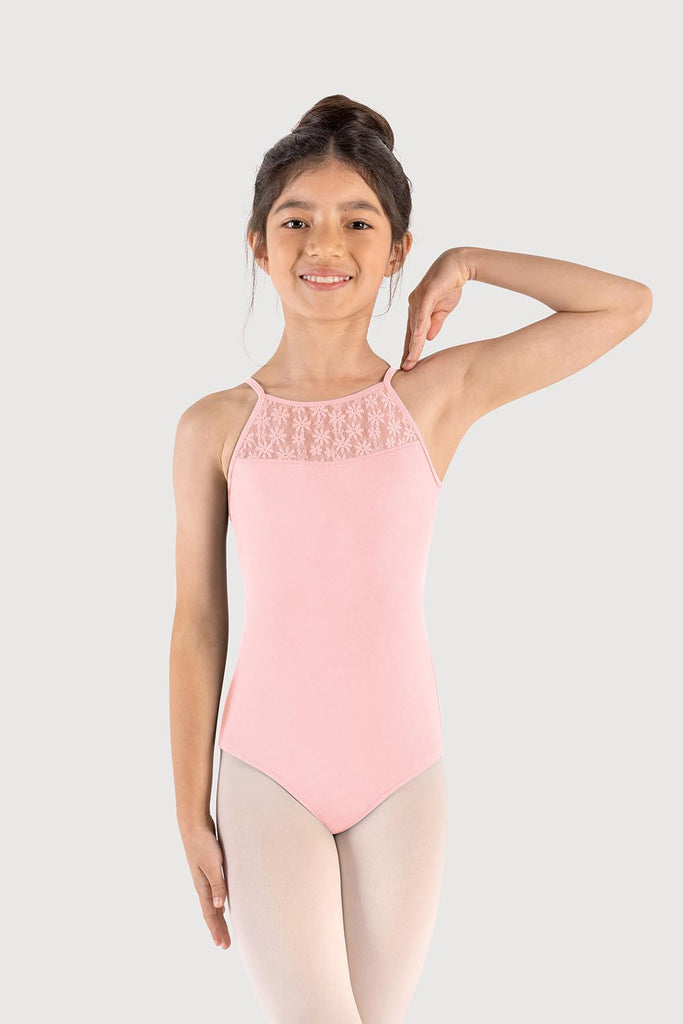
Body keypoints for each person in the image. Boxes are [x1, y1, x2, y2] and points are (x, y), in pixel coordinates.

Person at [169, 94, 652, 1022]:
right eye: (295, 221)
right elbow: (196, 624)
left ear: (396, 251)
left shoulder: (433, 397)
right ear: (257, 244)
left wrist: (465, 262)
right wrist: (189, 811)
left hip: (402, 771)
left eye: (359, 222)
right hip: (265, 769)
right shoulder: (214, 426)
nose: (325, 244)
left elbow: (624, 304)